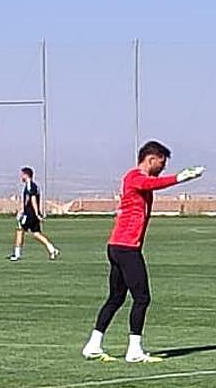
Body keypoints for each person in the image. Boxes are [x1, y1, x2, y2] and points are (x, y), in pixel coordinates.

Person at [80, 141, 204, 363]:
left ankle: (93, 345)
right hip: (126, 248)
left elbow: (152, 184)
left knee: (116, 297)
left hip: (119, 246)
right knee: (142, 298)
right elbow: (152, 184)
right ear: (151, 159)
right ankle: (134, 350)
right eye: (161, 163)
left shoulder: (143, 180)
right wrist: (180, 178)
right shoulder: (134, 177)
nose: (163, 168)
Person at [8, 166, 59, 261]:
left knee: (20, 230)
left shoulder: (30, 186)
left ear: (26, 175)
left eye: (22, 175)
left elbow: (33, 200)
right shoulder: (33, 185)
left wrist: (36, 214)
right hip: (31, 214)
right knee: (36, 234)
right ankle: (52, 249)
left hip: (30, 214)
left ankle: (17, 254)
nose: (21, 177)